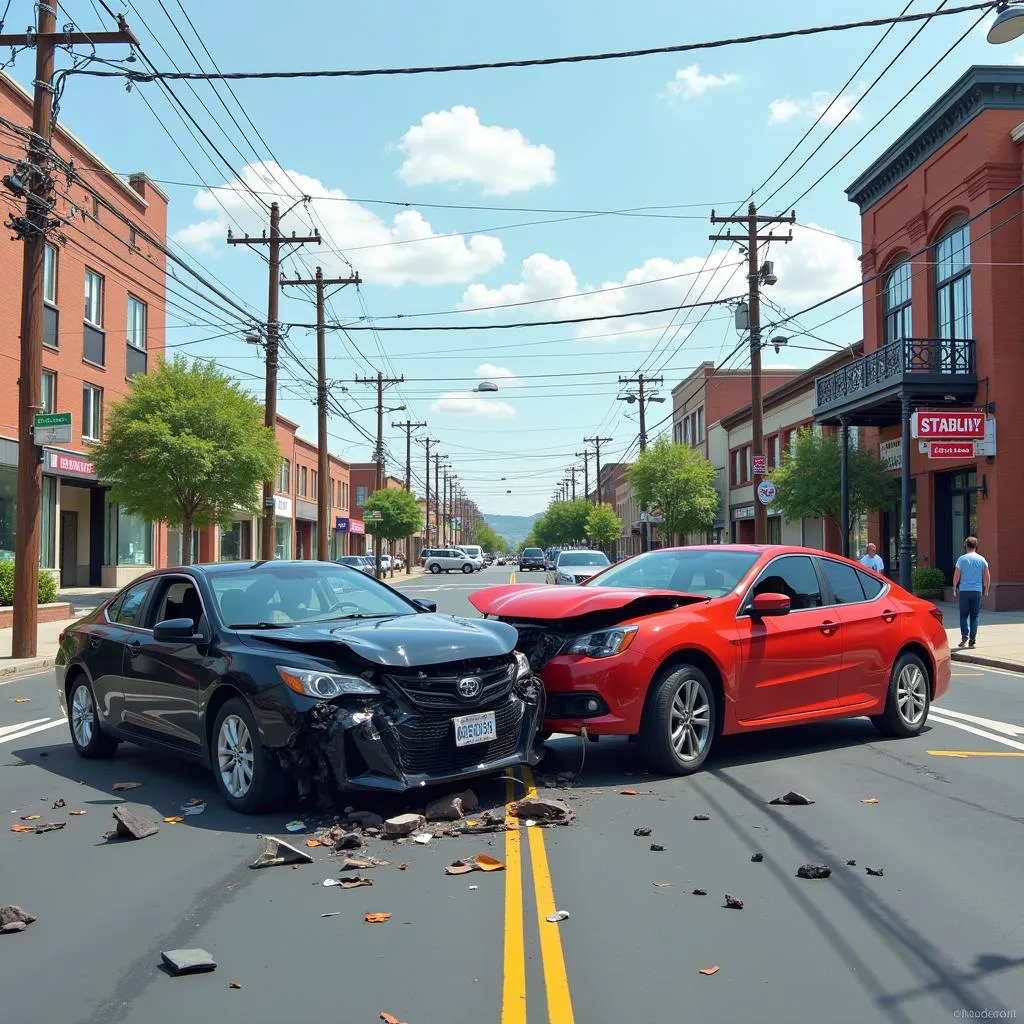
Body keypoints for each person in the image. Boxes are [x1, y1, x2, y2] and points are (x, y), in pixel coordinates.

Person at [952, 536, 990, 649]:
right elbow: (987, 576)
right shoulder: (982, 559)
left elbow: (956, 576)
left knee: (963, 615)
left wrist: (954, 588)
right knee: (975, 616)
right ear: (976, 546)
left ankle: (964, 635)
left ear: (966, 545)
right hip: (977, 591)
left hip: (964, 590)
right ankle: (972, 640)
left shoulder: (961, 559)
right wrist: (986, 588)